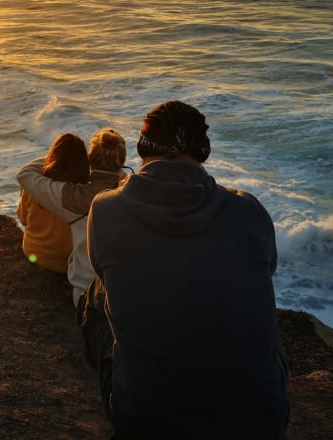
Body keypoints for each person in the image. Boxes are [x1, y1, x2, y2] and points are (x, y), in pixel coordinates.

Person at [87, 100, 289, 439]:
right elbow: (266, 269)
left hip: (150, 424)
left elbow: (105, 273)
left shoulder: (107, 210)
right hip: (260, 423)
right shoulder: (249, 211)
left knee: (95, 297)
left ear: (142, 147)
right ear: (203, 151)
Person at [15, 128, 126, 306]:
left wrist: (60, 157)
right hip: (124, 289)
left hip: (86, 294)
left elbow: (24, 174)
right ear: (122, 162)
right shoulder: (133, 192)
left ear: (90, 159)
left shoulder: (74, 199)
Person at [16, 133, 89, 273]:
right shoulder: (84, 193)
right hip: (69, 262)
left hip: (35, 253)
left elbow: (23, 219)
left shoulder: (35, 187)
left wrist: (51, 159)